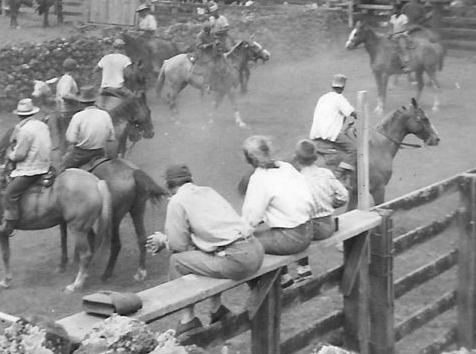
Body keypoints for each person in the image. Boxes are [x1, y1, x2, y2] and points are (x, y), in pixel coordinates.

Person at [146, 164, 264, 336]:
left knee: (177, 261)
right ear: (189, 180)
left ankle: (188, 320)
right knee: (206, 253)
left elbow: (179, 246)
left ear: (168, 186)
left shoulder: (177, 201)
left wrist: (163, 240)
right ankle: (217, 309)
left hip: (238, 259)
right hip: (255, 249)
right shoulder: (207, 191)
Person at [240, 135, 315, 265]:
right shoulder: (286, 167)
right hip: (308, 230)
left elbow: (251, 216)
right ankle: (285, 276)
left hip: (290, 238)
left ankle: (279, 280)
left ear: (249, 158)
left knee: (244, 245)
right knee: (266, 233)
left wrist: (239, 235)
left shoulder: (259, 178)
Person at [291, 139, 350, 281]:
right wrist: (334, 204)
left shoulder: (297, 179)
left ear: (296, 158)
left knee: (292, 226)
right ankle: (302, 269)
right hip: (329, 224)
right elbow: (343, 195)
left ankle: (302, 269)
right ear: (316, 157)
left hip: (311, 230)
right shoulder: (325, 173)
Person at [1, 98, 52, 236]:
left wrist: (10, 154)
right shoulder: (42, 125)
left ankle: (10, 223)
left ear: (19, 115)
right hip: (46, 164)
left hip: (31, 169)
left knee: (9, 194)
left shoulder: (24, 130)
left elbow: (20, 155)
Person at [309, 74, 358, 186]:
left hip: (317, 133)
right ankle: (339, 172)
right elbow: (351, 112)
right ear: (343, 87)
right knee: (354, 149)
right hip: (331, 134)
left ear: (332, 85)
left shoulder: (323, 97)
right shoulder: (339, 98)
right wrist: (359, 114)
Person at [62, 85, 115, 169]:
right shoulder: (105, 114)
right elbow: (111, 138)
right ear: (94, 101)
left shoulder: (77, 117)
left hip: (80, 155)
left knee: (63, 165)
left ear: (81, 102)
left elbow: (71, 139)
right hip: (100, 152)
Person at [388, 1, 411, 71]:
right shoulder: (393, 17)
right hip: (395, 36)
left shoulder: (403, 17)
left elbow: (406, 28)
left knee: (402, 48)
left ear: (398, 9)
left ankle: (407, 65)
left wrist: (403, 34)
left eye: (394, 9)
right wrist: (390, 33)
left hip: (402, 35)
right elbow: (391, 27)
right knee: (390, 48)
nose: (393, 10)